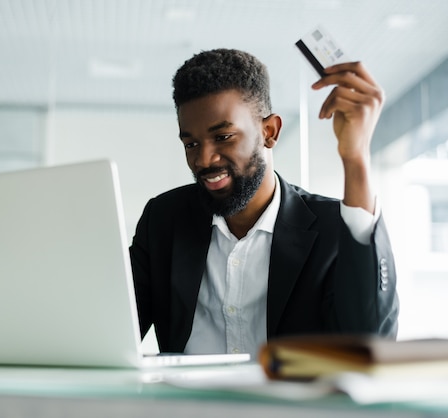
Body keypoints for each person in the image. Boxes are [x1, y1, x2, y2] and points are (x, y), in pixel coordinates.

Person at [129, 48, 398, 357]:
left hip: (290, 406)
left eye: (224, 137)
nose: (203, 159)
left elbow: (371, 343)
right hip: (188, 405)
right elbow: (111, 331)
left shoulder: (334, 229)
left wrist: (356, 158)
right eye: (191, 143)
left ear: (269, 131)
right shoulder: (163, 220)